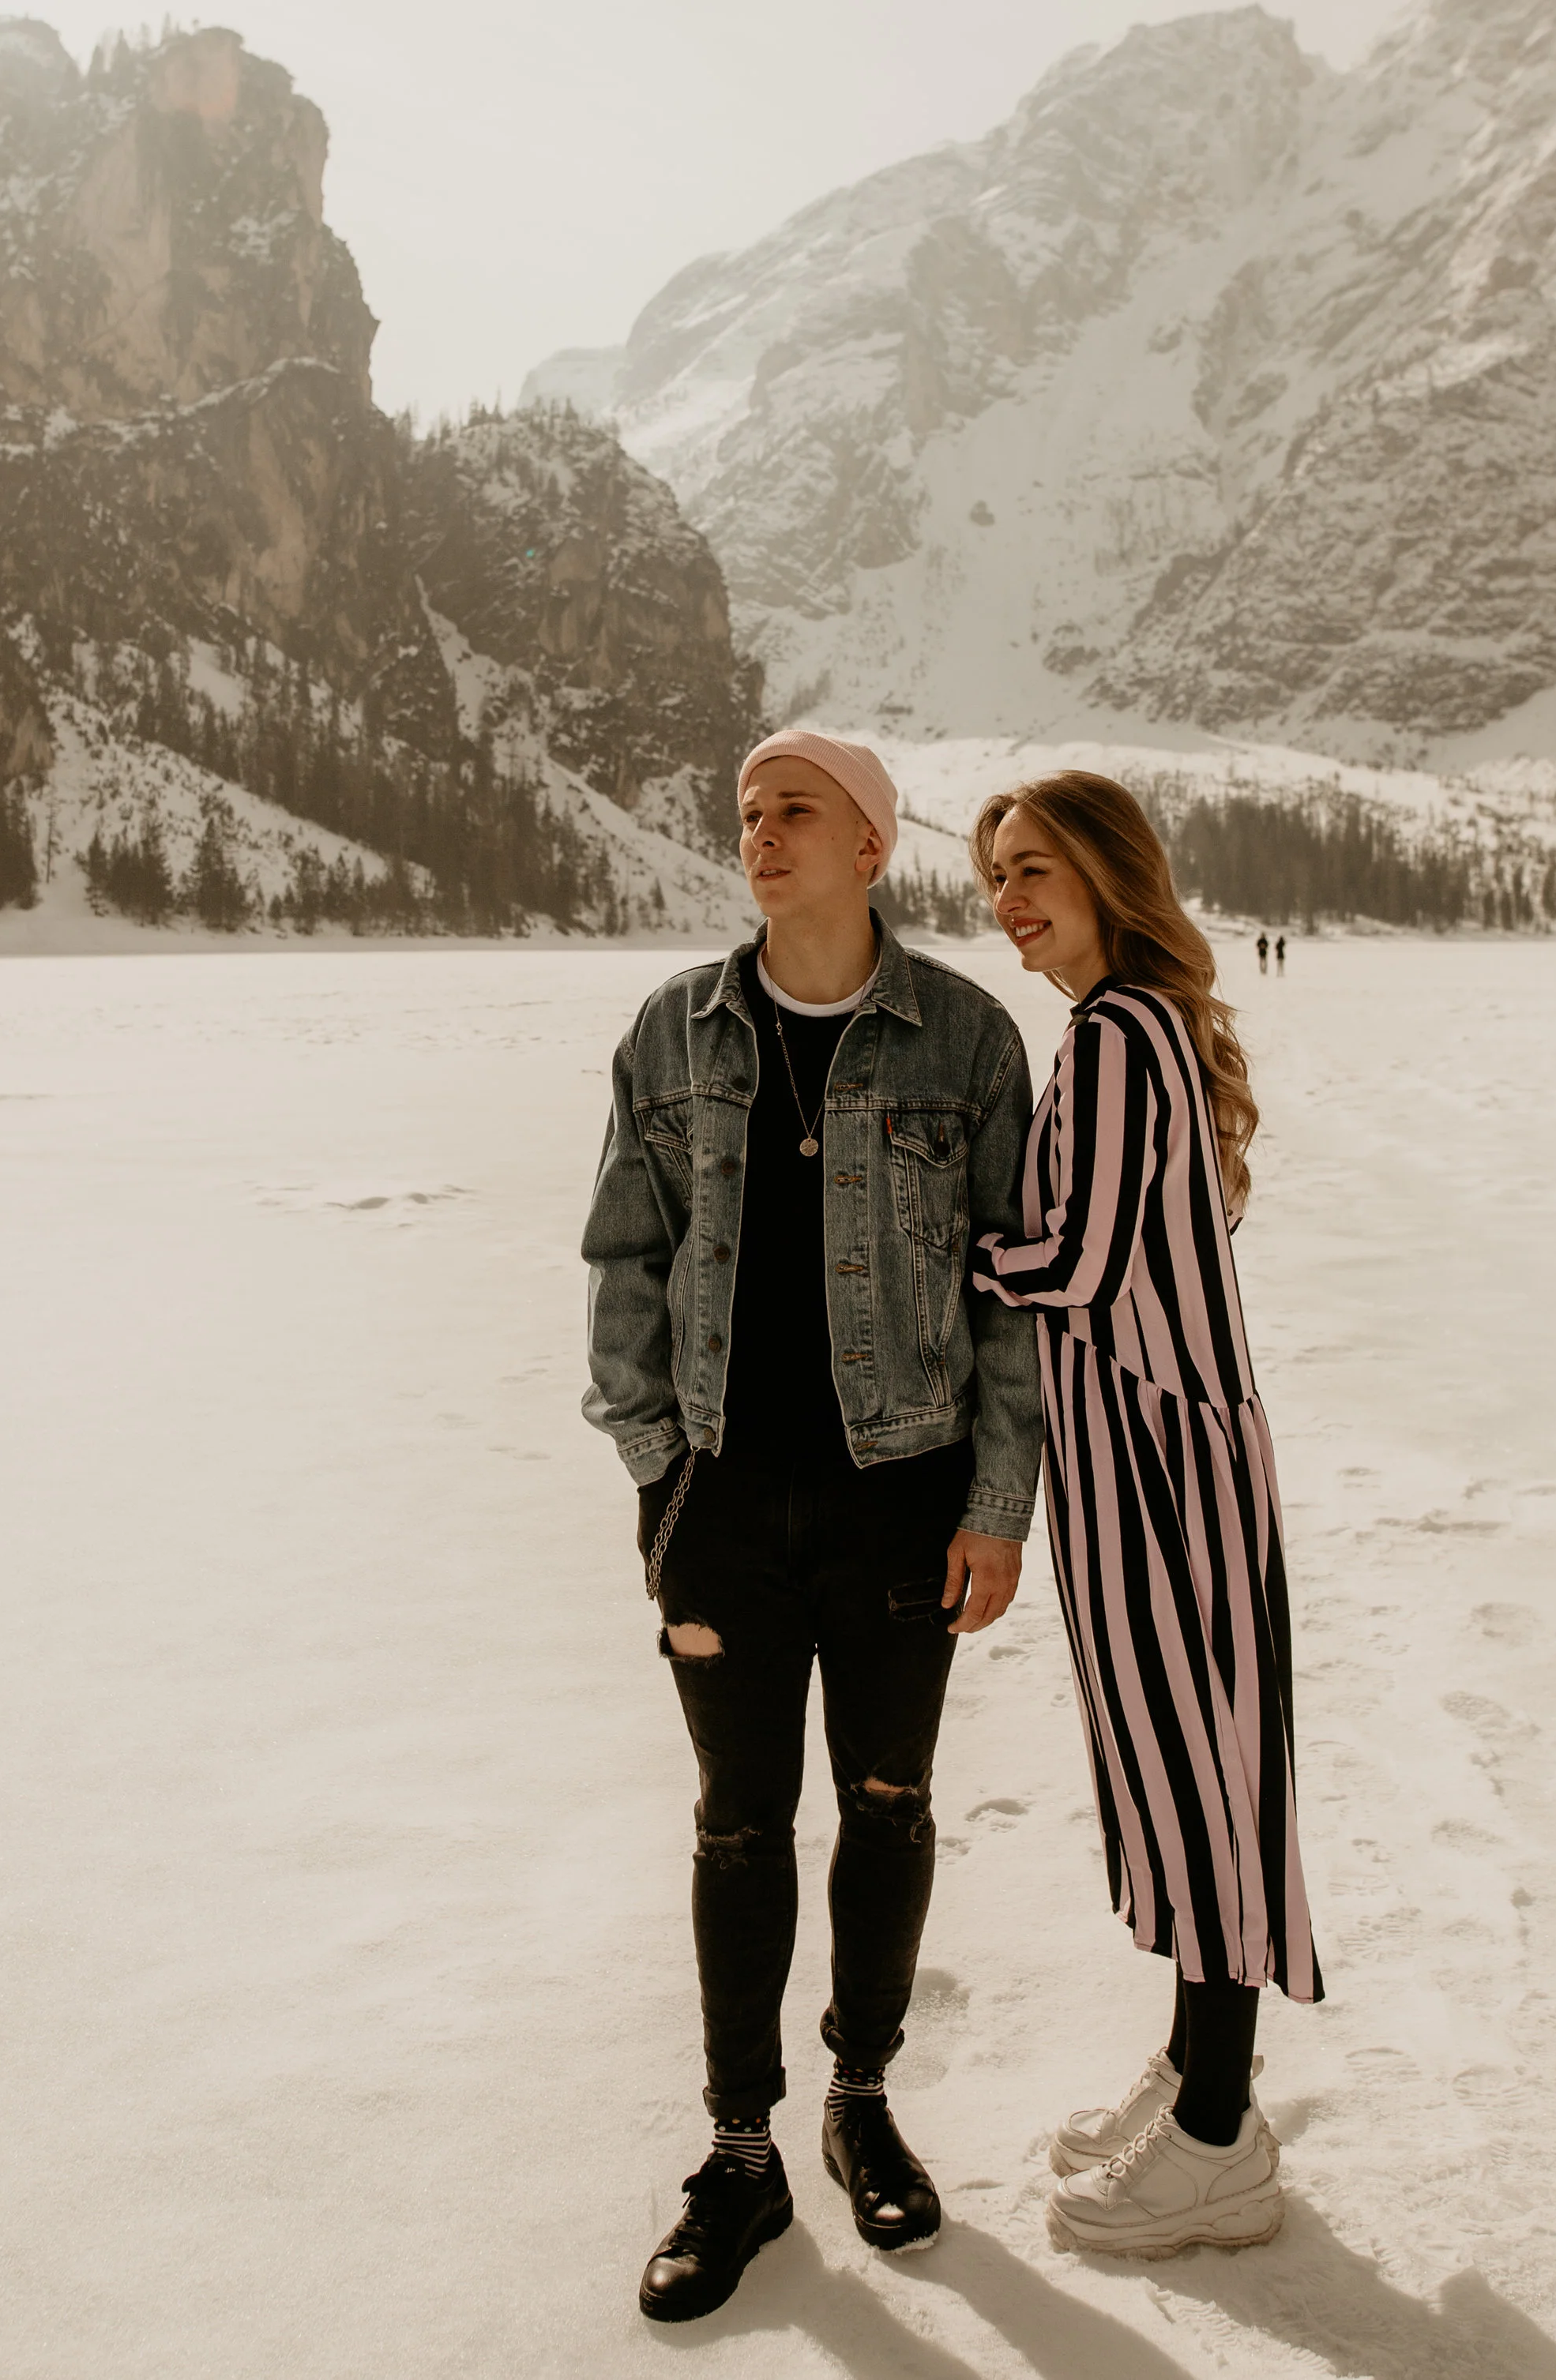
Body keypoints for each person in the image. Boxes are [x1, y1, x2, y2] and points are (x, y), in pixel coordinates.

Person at [582, 729, 1042, 2322]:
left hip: (903, 1501)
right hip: (720, 1503)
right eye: (746, 815)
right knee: (738, 1820)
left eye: (795, 812)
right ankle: (739, 2148)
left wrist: (998, 1505)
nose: (760, 836)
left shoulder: (966, 1040)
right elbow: (624, 1261)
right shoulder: (672, 1033)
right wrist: (657, 1473)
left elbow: (1009, 1292)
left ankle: (859, 2101)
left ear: (869, 844)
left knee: (888, 1801)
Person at [969, 771, 1321, 2257]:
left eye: (1035, 868)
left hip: (1160, 1458)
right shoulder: (1129, 1026)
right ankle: (1196, 2075)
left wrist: (951, 1249)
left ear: (1110, 873)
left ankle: (1219, 2137)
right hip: (1154, 1448)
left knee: (1197, 1777)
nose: (1008, 899)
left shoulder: (1119, 1031)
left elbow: (1085, 1260)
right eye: (995, 875)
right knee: (1188, 1769)